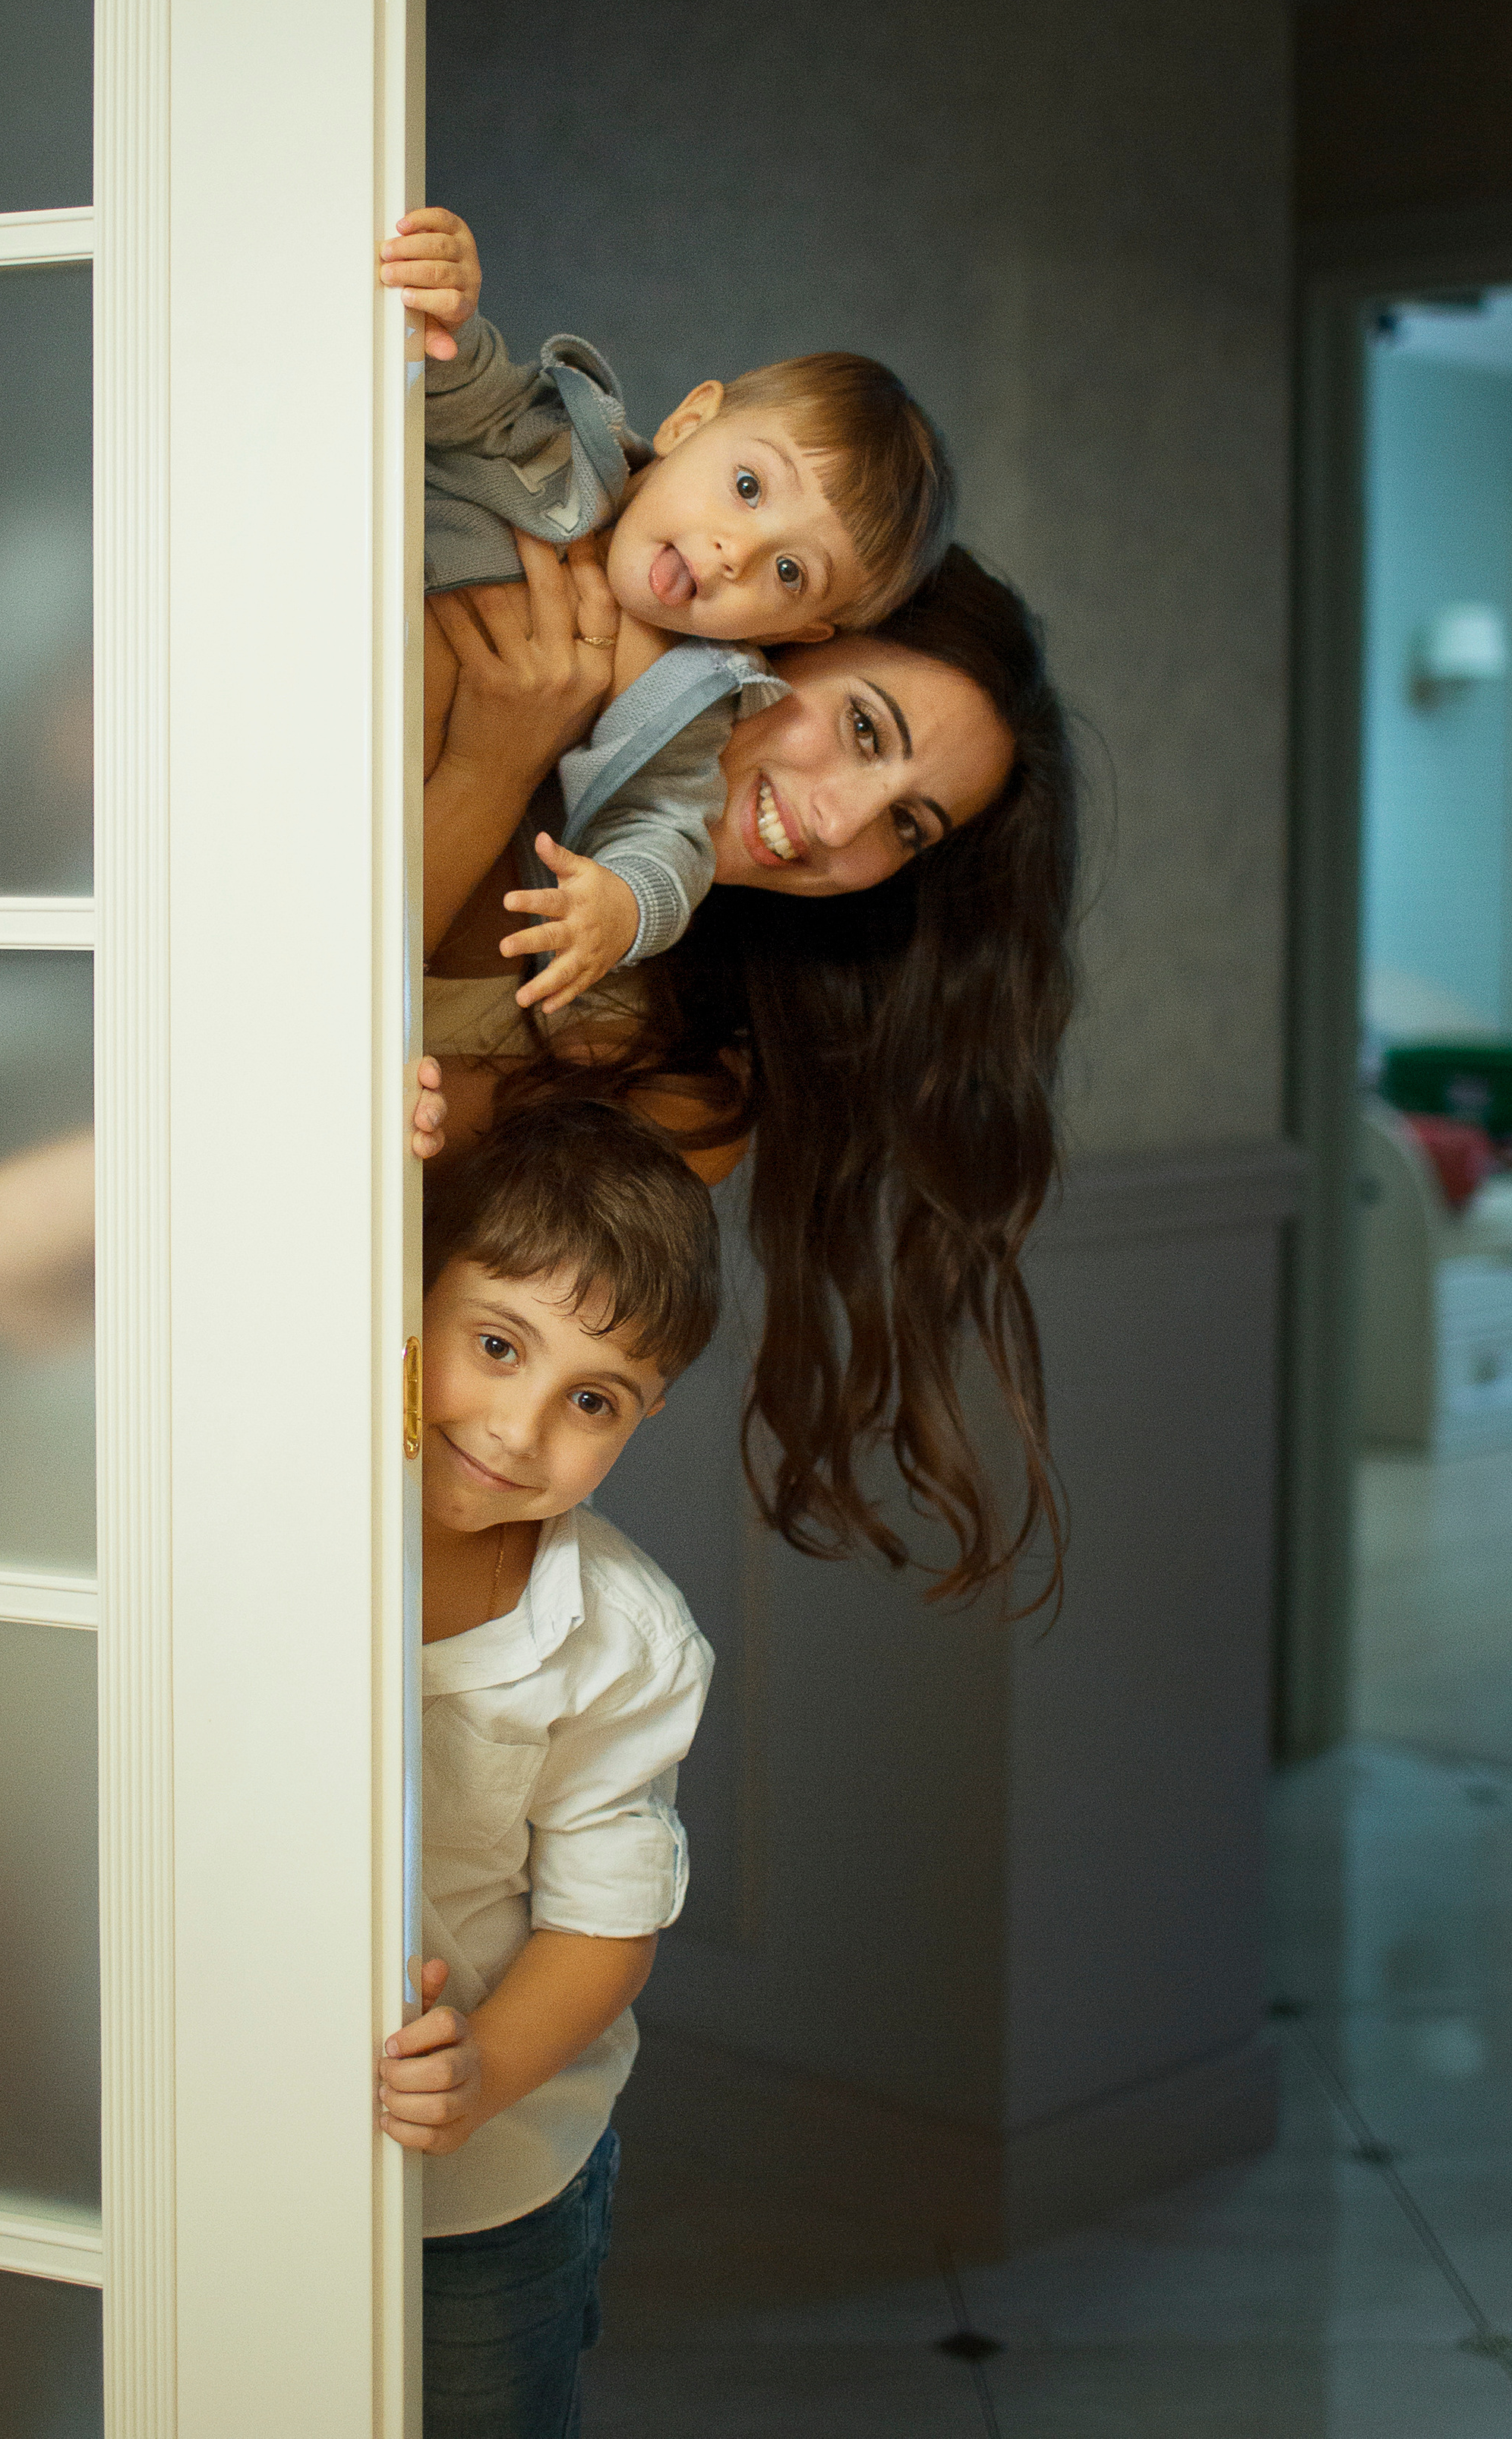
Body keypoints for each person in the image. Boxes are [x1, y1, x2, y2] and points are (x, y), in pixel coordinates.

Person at [421, 531, 1080, 1606]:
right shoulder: (519, 628)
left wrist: (486, 768)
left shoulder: (690, 1082)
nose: (837, 823)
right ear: (779, 633)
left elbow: (380, 1192)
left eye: (905, 826)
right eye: (864, 727)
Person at [384, 208, 954, 1011]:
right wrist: (449, 308)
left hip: (367, 786)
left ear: (793, 632)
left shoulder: (691, 703)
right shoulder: (559, 441)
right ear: (689, 424)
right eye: (748, 487)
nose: (734, 552)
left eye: (788, 571)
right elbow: (456, 395)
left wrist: (622, 909)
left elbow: (668, 837)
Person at [379, 1096, 719, 2437]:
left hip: (493, 2186)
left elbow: (601, 1927)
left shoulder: (627, 1643)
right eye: (495, 1345)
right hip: (243, 2136)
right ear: (411, 1291)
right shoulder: (269, 1498)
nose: (520, 1429)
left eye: (592, 1400)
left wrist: (482, 2076)